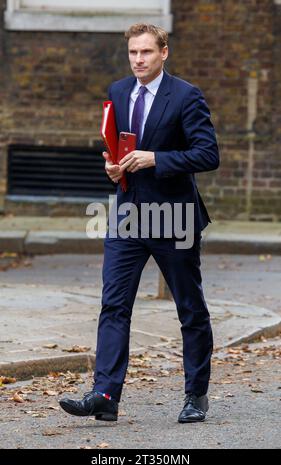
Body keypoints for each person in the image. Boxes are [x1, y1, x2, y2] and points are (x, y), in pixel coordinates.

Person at [59, 23, 219, 423]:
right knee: (113, 305)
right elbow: (117, 148)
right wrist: (114, 169)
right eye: (133, 53)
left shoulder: (186, 95)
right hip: (128, 213)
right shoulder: (118, 92)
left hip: (175, 216)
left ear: (164, 53)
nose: (138, 60)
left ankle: (195, 394)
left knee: (190, 308)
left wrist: (156, 159)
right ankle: (105, 394)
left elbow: (207, 154)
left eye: (146, 52)